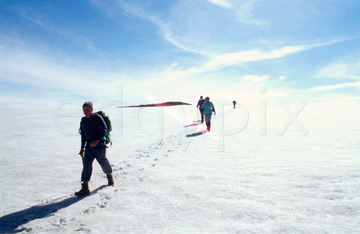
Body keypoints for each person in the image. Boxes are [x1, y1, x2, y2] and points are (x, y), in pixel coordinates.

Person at [75, 102, 114, 196]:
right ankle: (85, 187)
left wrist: (96, 141)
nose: (85, 112)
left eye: (87, 110)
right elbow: (83, 135)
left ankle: (109, 176)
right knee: (86, 165)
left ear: (92, 109)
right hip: (89, 146)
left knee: (103, 162)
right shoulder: (83, 120)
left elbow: (104, 130)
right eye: (84, 110)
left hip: (99, 145)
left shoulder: (97, 118)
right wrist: (82, 148)